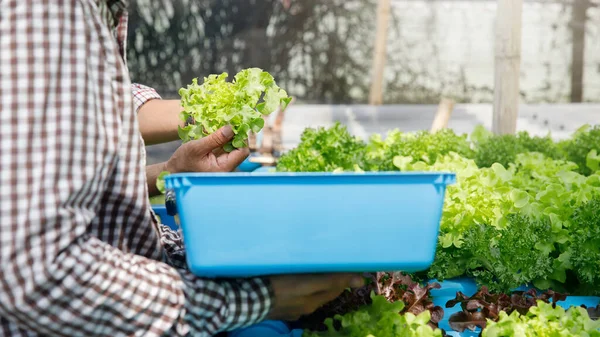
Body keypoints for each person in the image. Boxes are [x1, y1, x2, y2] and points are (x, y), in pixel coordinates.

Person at [0, 1, 364, 336]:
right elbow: (38, 274)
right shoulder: (52, 12)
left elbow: (87, 109)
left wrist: (171, 170)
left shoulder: (86, 16)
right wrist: (257, 300)